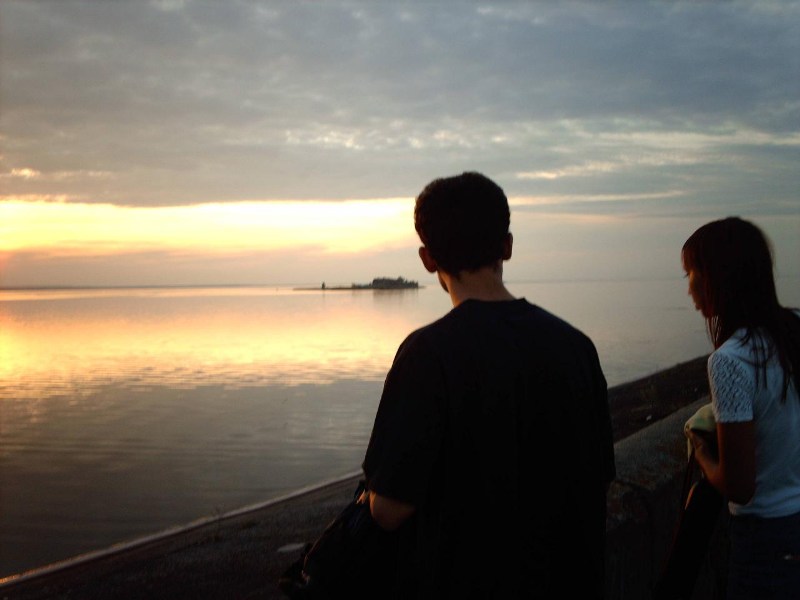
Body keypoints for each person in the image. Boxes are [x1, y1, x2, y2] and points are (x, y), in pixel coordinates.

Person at [361, 172, 616, 598]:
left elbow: (388, 509)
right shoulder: (576, 346)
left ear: (427, 259)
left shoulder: (426, 356)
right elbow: (599, 475)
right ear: (507, 247)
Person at [682, 217, 800, 599]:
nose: (688, 287)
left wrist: (702, 454)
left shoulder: (730, 360)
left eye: (691, 273)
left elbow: (739, 487)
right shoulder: (793, 330)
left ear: (717, 277)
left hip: (765, 541)